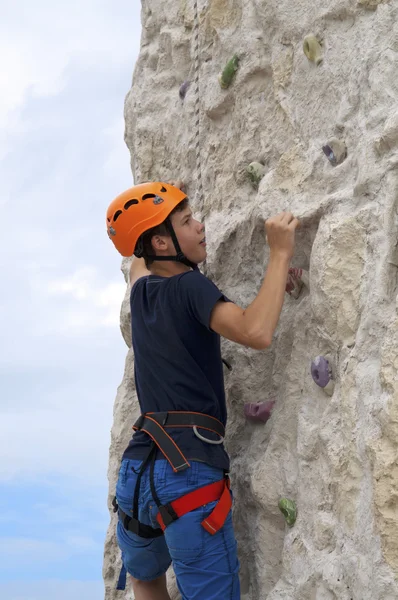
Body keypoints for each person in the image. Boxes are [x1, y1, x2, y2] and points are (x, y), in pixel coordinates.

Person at [106, 180, 300, 600]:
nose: (201, 226)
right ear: (160, 243)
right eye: (187, 221)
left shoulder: (141, 291)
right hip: (187, 472)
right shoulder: (190, 287)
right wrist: (280, 252)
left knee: (144, 578)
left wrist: (155, 217)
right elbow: (256, 331)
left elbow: (137, 260)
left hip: (138, 474)